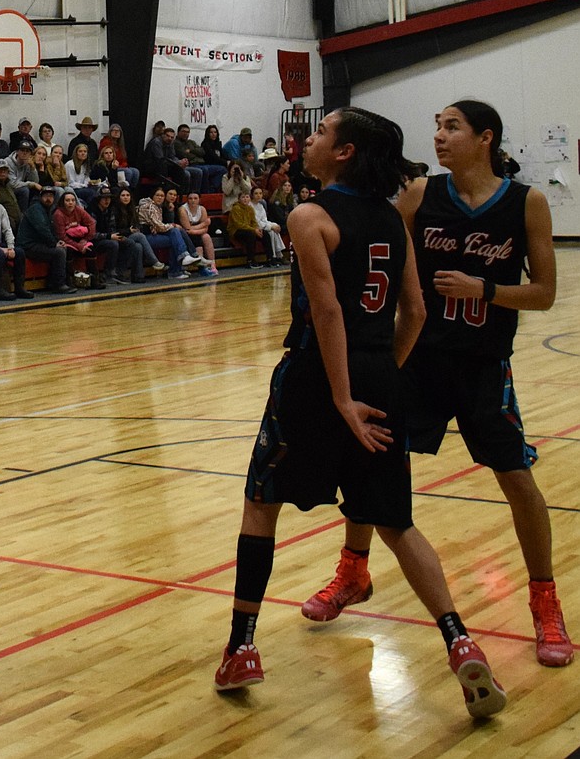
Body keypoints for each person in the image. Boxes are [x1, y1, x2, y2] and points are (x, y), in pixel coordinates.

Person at [213, 108, 506, 720]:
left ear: (343, 153)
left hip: (318, 378)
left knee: (261, 503)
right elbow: (417, 313)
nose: (309, 139)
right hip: (379, 373)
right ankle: (460, 640)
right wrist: (383, 377)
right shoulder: (393, 223)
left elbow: (327, 315)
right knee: (397, 522)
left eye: (320, 132)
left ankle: (242, 647)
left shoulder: (308, 216)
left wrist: (344, 398)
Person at [303, 98, 572, 668]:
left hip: (482, 364)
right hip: (418, 360)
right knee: (371, 459)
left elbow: (545, 293)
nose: (440, 136)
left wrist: (487, 291)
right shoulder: (422, 195)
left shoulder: (529, 203)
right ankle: (353, 571)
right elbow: (375, 249)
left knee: (517, 481)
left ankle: (545, 602)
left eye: (452, 127)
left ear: (486, 138)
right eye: (437, 127)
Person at [13, 186, 74, 296]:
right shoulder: (36, 209)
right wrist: (54, 243)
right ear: (40, 197)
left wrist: (57, 241)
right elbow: (42, 229)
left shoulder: (48, 210)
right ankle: (59, 284)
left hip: (38, 244)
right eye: (46, 196)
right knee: (59, 252)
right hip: (27, 246)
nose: (48, 199)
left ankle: (52, 282)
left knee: (64, 248)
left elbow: (50, 230)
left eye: (51, 196)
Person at [138, 185, 195, 273]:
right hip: (145, 237)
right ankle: (176, 269)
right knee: (175, 237)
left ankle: (183, 260)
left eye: (162, 196)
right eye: (158, 195)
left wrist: (171, 219)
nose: (160, 198)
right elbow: (159, 226)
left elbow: (158, 226)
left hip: (154, 234)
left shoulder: (157, 206)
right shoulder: (149, 206)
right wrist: (173, 225)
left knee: (175, 232)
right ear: (152, 196)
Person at [175, 190, 218, 277]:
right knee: (197, 238)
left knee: (206, 237)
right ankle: (202, 267)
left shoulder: (202, 209)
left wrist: (194, 230)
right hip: (185, 234)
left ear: (199, 200)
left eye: (195, 198)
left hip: (195, 232)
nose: (193, 200)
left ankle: (213, 265)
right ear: (187, 200)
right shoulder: (182, 209)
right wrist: (203, 224)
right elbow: (187, 228)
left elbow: (205, 229)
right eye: (190, 198)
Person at [251, 186, 287, 264]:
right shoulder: (250, 206)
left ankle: (278, 255)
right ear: (252, 195)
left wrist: (274, 225)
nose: (258, 195)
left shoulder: (260, 206)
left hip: (262, 225)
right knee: (271, 232)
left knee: (274, 230)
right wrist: (271, 226)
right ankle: (273, 256)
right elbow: (256, 222)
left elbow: (264, 220)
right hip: (255, 227)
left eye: (260, 193)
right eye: (256, 193)